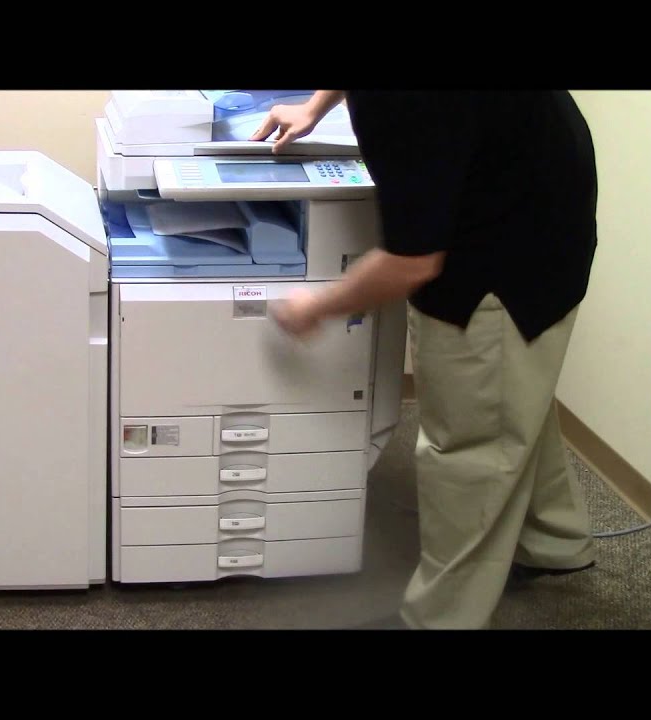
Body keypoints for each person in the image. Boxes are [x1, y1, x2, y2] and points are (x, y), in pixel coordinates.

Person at [251, 91, 599, 629]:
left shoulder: (409, 103)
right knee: (510, 393)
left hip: (511, 248)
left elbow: (413, 262)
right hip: (536, 181)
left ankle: (439, 617)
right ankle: (554, 539)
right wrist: (315, 106)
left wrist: (316, 307)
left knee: (473, 444)